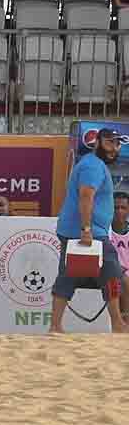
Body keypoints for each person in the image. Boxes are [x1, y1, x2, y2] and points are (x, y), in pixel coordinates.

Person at [49, 128, 127, 334]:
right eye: (109, 142)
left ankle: (55, 326)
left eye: (117, 143)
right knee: (112, 274)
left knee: (69, 275)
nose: (114, 148)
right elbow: (86, 196)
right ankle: (118, 324)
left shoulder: (93, 164)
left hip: (82, 230)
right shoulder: (93, 165)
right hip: (87, 231)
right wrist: (86, 229)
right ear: (97, 142)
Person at [111, 192, 129, 323]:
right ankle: (123, 323)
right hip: (111, 272)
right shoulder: (104, 231)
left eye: (123, 208)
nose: (119, 211)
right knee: (122, 281)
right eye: (116, 208)